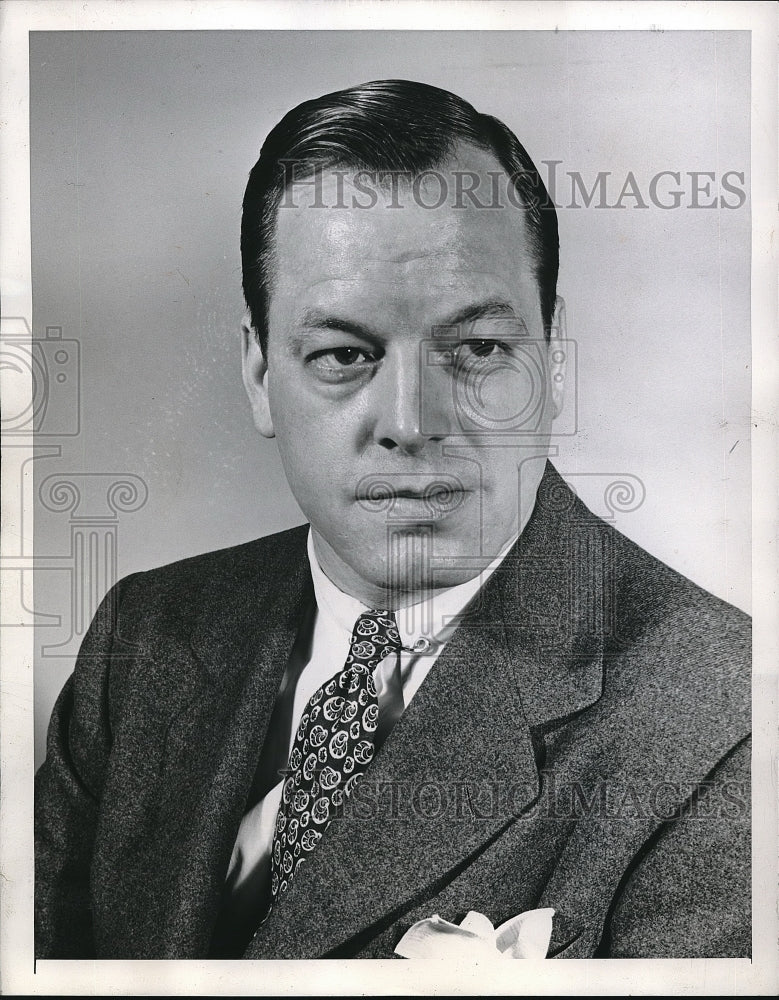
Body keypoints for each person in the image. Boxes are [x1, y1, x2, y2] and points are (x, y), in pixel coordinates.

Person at [35, 79, 750, 960]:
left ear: (553, 361)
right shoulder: (145, 636)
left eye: (479, 349)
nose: (411, 423)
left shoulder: (729, 721)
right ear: (260, 374)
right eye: (343, 354)